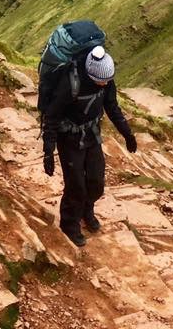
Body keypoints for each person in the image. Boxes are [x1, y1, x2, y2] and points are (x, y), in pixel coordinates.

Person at [41, 45, 138, 246]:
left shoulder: (106, 81)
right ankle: (70, 224)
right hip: (69, 139)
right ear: (91, 74)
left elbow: (112, 107)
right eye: (101, 81)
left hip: (92, 134)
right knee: (75, 184)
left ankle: (87, 209)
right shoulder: (71, 84)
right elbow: (52, 116)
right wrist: (48, 151)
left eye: (107, 80)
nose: (105, 84)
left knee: (96, 181)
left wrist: (128, 134)